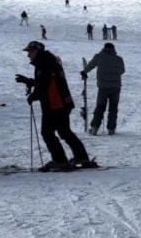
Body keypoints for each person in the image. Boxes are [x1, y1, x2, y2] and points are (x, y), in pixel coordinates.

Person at [14, 41, 92, 171]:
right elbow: (46, 82)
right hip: (62, 102)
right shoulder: (49, 61)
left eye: (30, 52)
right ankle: (81, 157)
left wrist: (33, 96)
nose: (28, 55)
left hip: (55, 103)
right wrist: (29, 81)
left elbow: (44, 85)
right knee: (64, 131)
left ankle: (60, 160)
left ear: (37, 51)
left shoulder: (44, 64)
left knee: (47, 132)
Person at [81, 43, 125, 135]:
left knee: (100, 107)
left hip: (103, 87)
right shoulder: (119, 59)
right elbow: (122, 71)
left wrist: (84, 72)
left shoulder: (99, 57)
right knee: (113, 108)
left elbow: (90, 65)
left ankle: (95, 127)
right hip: (116, 87)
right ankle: (111, 129)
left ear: (104, 48)